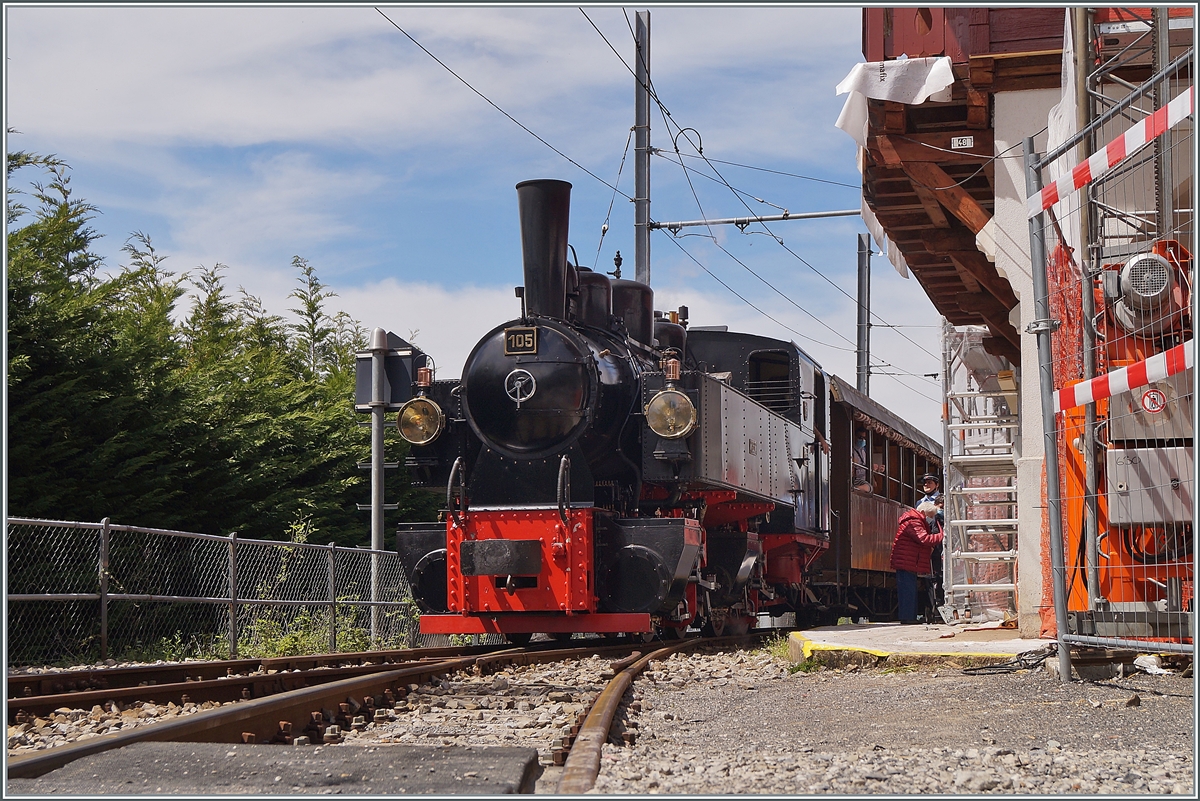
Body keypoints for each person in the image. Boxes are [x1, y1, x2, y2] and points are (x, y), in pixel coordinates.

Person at [890, 501, 943, 624]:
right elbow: (924, 539)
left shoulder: (914, 519)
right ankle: (908, 617)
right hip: (907, 560)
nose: (930, 519)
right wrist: (942, 536)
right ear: (923, 512)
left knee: (909, 589)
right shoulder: (914, 521)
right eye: (929, 516)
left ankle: (910, 617)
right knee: (908, 590)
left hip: (909, 560)